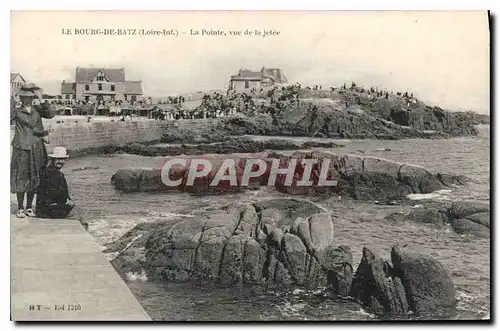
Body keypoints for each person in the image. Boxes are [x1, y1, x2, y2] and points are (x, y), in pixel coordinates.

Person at [11, 84, 55, 218]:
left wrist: (41, 99)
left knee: (34, 175)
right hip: (22, 147)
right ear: (22, 98)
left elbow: (51, 114)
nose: (28, 100)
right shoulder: (17, 111)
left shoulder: (37, 111)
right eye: (25, 97)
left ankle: (29, 207)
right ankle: (20, 208)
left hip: (36, 147)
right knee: (21, 176)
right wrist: (12, 100)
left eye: (31, 97)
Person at [36, 147, 75, 219]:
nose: (60, 161)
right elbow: (56, 193)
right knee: (72, 206)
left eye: (62, 159)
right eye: (58, 159)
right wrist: (67, 201)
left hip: (41, 209)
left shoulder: (48, 171)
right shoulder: (54, 173)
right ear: (53, 160)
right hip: (49, 209)